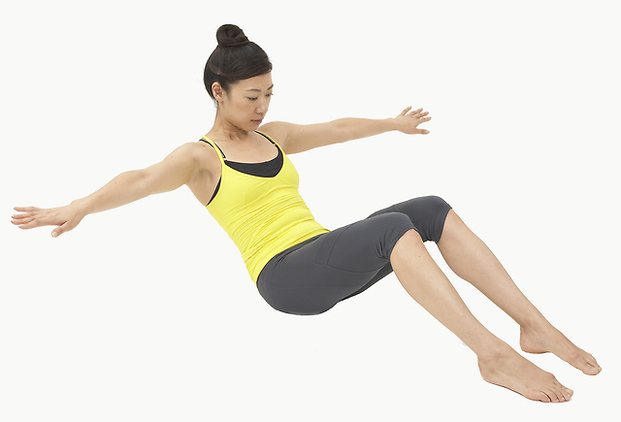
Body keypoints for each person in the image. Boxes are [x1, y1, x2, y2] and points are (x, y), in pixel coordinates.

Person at [11, 24, 600, 403]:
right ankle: (490, 355)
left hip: (320, 255)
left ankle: (533, 326)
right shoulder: (201, 158)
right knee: (393, 228)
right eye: (252, 96)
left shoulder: (275, 136)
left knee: (429, 208)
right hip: (285, 277)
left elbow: (336, 128)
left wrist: (391, 124)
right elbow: (138, 179)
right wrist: (78, 206)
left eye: (269, 93)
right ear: (217, 92)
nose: (263, 106)